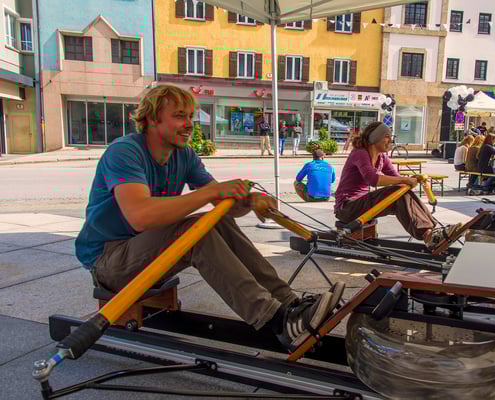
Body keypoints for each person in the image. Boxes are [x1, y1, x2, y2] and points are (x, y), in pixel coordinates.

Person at [74, 85, 344, 352]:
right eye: (179, 116)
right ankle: (275, 320)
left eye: (190, 116)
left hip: (146, 251)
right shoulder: (125, 151)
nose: (189, 124)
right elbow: (140, 216)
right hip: (109, 262)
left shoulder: (183, 155)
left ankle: (289, 304)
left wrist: (250, 201)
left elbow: (225, 207)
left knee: (218, 220)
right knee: (195, 233)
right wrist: (212, 192)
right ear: (152, 119)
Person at [334, 121, 462, 251]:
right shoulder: (360, 153)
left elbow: (398, 179)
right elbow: (372, 179)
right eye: (387, 137)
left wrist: (412, 179)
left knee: (401, 192)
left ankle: (432, 233)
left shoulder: (382, 157)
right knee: (397, 192)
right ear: (375, 138)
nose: (391, 140)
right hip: (346, 207)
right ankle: (429, 236)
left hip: (361, 205)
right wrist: (405, 180)